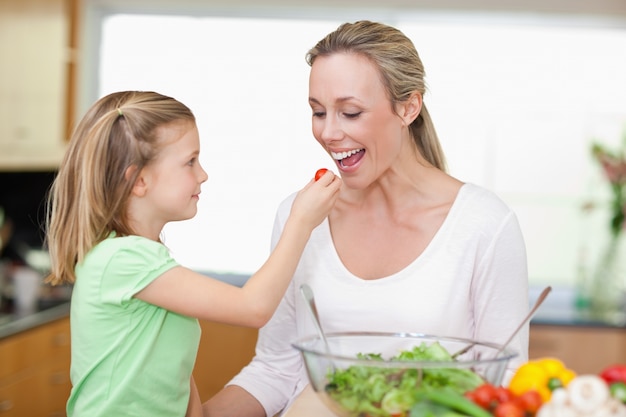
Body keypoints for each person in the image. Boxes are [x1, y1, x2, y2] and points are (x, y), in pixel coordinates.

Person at [203, 20, 529, 417]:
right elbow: (276, 368)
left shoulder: (483, 224)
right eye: (318, 112)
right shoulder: (302, 214)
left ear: (409, 107)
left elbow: (505, 381)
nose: (328, 132)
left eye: (351, 112)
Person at [44, 90, 341, 417]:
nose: (203, 174)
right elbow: (253, 308)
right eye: (190, 162)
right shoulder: (122, 258)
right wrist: (301, 222)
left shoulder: (146, 258)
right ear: (139, 180)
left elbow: (173, 381)